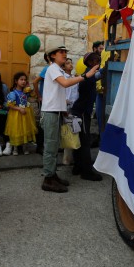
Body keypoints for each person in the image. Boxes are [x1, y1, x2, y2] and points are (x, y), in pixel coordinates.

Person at [40, 44, 99, 193]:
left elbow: (58, 92)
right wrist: (86, 75)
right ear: (53, 55)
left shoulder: (57, 69)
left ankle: (52, 175)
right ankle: (48, 179)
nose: (64, 54)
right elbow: (65, 84)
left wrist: (63, 111)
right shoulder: (53, 68)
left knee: (54, 146)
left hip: (57, 111)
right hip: (51, 112)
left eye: (65, 52)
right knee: (50, 147)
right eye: (61, 52)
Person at [70, 52, 104, 181]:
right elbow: (99, 74)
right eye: (96, 59)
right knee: (84, 141)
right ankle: (86, 171)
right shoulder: (89, 74)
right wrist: (108, 63)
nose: (98, 60)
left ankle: (77, 166)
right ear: (90, 62)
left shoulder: (87, 72)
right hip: (82, 113)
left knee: (80, 140)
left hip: (79, 111)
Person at [4, 71, 38, 156]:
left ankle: (25, 147)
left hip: (26, 114)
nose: (23, 81)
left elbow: (34, 96)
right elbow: (9, 104)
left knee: (25, 130)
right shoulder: (13, 93)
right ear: (16, 81)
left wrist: (30, 89)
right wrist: (19, 108)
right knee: (17, 130)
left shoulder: (26, 92)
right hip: (16, 115)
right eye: (21, 79)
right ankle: (15, 148)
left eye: (25, 80)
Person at [62, 58, 78, 165]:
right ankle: (66, 158)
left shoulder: (74, 78)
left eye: (71, 62)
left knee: (72, 131)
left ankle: (71, 157)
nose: (70, 64)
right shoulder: (62, 78)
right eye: (67, 63)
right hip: (65, 107)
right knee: (66, 131)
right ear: (63, 67)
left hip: (73, 107)